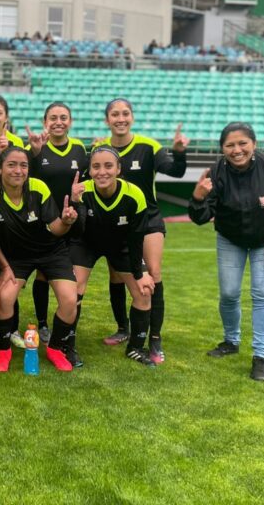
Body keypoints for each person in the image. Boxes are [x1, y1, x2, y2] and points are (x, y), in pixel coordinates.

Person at [189, 123, 264, 381]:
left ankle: (260, 357)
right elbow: (201, 217)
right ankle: (231, 341)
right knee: (229, 293)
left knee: (262, 294)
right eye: (230, 145)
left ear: (254, 144)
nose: (236, 150)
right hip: (231, 239)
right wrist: (198, 197)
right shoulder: (216, 171)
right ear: (222, 148)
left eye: (242, 143)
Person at [94, 98, 188, 364]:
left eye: (125, 113)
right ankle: (123, 329)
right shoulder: (100, 148)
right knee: (116, 276)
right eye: (115, 114)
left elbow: (176, 171)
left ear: (132, 117)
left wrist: (179, 152)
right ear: (107, 120)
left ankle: (154, 339)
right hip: (114, 224)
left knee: (152, 274)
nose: (120, 118)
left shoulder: (148, 146)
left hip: (147, 220)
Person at [0, 147, 79, 372]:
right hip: (16, 257)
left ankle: (55, 349)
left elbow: (56, 228)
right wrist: (5, 267)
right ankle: (4, 350)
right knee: (5, 298)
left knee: (69, 300)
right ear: (0, 169)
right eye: (11, 165)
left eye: (23, 165)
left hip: (52, 252)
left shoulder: (38, 187)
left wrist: (66, 221)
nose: (18, 170)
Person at [69, 146, 157, 367]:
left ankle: (135, 348)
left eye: (108, 166)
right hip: (87, 244)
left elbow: (136, 238)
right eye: (96, 166)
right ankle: (67, 346)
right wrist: (75, 203)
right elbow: (76, 233)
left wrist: (141, 273)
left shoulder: (135, 195)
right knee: (72, 291)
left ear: (118, 169)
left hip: (121, 246)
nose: (102, 172)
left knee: (144, 291)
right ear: (90, 170)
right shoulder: (82, 191)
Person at [25, 102, 89, 343]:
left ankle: (68, 325)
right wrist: (35, 153)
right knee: (43, 274)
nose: (58, 122)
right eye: (53, 118)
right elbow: (25, 181)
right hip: (45, 223)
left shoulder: (79, 149)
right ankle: (42, 323)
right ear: (45, 122)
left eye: (63, 117)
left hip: (73, 220)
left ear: (70, 121)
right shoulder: (35, 147)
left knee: (74, 277)